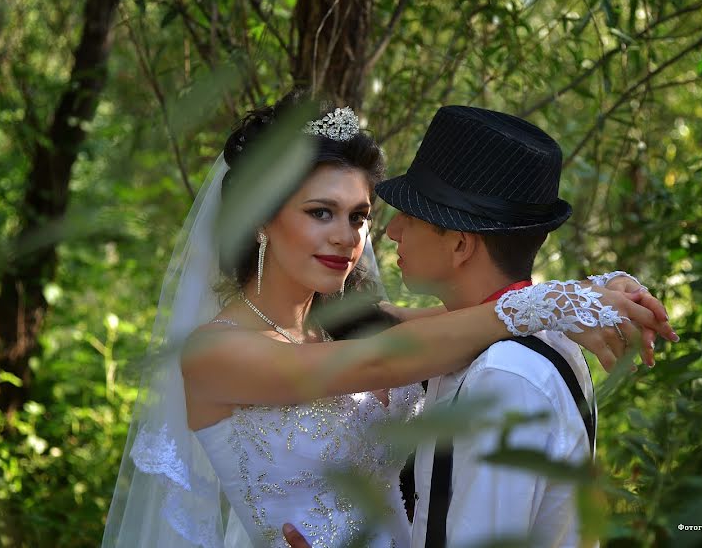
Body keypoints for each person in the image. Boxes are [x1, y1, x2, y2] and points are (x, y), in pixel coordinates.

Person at [102, 90, 676, 548]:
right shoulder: (213, 352)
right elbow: (392, 357)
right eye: (320, 212)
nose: (346, 238)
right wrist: (549, 303)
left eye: (358, 216)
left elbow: (457, 323)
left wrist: (578, 302)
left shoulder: (356, 323)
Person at [281, 105, 679, 548]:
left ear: (459, 244)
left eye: (411, 215)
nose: (391, 232)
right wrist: (581, 294)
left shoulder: (503, 376)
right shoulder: (525, 334)